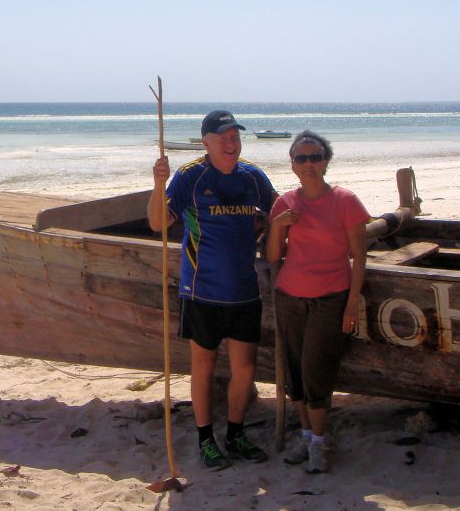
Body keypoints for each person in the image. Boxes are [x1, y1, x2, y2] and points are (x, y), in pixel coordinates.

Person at [148, 110, 277, 471]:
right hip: (201, 290)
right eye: (223, 137)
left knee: (245, 369)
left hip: (244, 291)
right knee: (202, 368)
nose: (231, 143)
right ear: (206, 142)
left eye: (235, 136)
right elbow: (159, 222)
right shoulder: (190, 176)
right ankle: (206, 440)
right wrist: (158, 185)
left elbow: (278, 211)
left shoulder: (252, 177)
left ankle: (235, 433)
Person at [265, 130, 369, 474]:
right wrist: (278, 226)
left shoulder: (345, 201)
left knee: (316, 369)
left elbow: (359, 255)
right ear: (292, 164)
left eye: (315, 157)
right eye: (301, 158)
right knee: (294, 371)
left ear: (326, 161)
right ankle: (307, 435)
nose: (308, 164)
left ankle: (320, 441)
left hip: (330, 298)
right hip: (289, 295)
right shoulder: (285, 203)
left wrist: (353, 301)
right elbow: (272, 255)